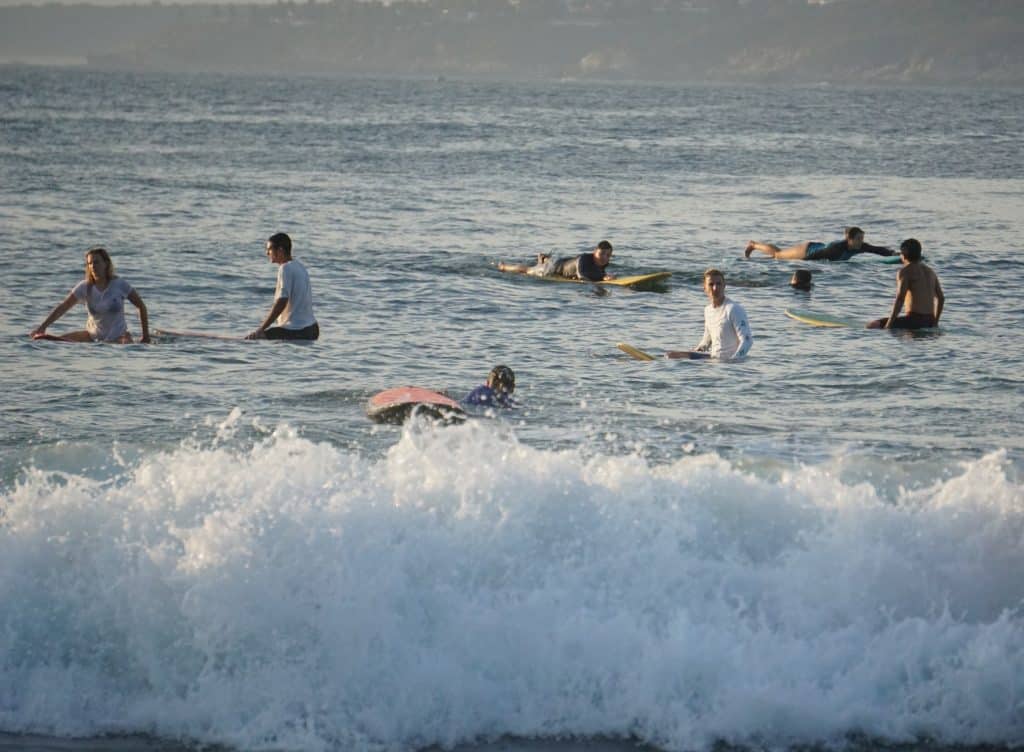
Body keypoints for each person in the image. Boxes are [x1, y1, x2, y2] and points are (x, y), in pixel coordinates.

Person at [31, 247, 150, 343]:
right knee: (56, 342)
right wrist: (42, 327)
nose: (93, 266)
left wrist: (145, 336)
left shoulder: (119, 284)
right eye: (90, 263)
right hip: (92, 337)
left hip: (119, 336)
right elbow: (63, 307)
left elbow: (141, 306)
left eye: (96, 262)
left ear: (106, 263)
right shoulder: (84, 287)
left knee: (124, 342)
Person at [666, 268, 752, 360]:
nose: (715, 288)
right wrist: (691, 353)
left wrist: (733, 361)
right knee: (671, 355)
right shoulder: (707, 310)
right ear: (704, 288)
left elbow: (747, 341)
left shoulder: (733, 309)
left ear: (724, 286)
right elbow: (706, 342)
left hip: (730, 363)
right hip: (713, 361)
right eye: (711, 284)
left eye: (719, 284)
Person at [246, 232, 319, 340]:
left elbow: (282, 301)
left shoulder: (285, 268)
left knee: (253, 340)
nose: (267, 253)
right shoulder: (300, 266)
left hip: (297, 329)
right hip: (312, 328)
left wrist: (261, 329)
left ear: (280, 250)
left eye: (269, 249)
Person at [867, 238, 943, 330]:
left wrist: (889, 324)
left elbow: (900, 299)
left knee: (872, 325)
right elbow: (941, 298)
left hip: (914, 320)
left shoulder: (905, 271)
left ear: (903, 255)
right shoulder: (930, 271)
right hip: (930, 320)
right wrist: (935, 322)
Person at [744, 226, 896, 261]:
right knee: (778, 255)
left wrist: (895, 254)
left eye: (862, 239)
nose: (861, 242)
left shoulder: (859, 246)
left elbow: (878, 250)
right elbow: (813, 259)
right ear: (849, 239)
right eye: (858, 239)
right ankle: (754, 245)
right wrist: (796, 262)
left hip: (818, 246)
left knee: (778, 255)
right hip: (807, 251)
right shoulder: (835, 249)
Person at [498, 241, 615, 281]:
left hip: (563, 262)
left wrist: (604, 276)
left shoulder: (603, 264)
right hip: (553, 269)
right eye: (602, 254)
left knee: (546, 263)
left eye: (608, 255)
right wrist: (602, 278)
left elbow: (596, 273)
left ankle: (543, 259)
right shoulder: (584, 258)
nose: (604, 257)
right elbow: (581, 275)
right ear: (595, 252)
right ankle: (504, 267)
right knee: (529, 270)